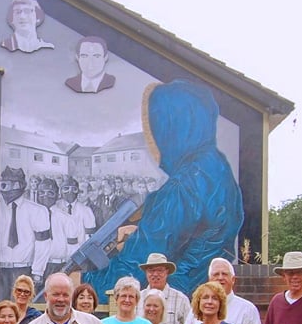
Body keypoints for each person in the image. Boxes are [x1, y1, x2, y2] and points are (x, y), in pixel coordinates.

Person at [84, 79, 244, 297]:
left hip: (172, 301)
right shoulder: (218, 167)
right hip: (201, 296)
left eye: (158, 124)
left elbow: (137, 266)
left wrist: (85, 282)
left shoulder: (181, 187)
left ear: (172, 127)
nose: (154, 138)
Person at [0, 166, 50, 297]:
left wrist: (37, 271)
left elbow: (43, 244)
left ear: (21, 185)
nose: (8, 189)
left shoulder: (37, 211)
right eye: (4, 185)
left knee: (20, 308)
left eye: (13, 184)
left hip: (24, 268)